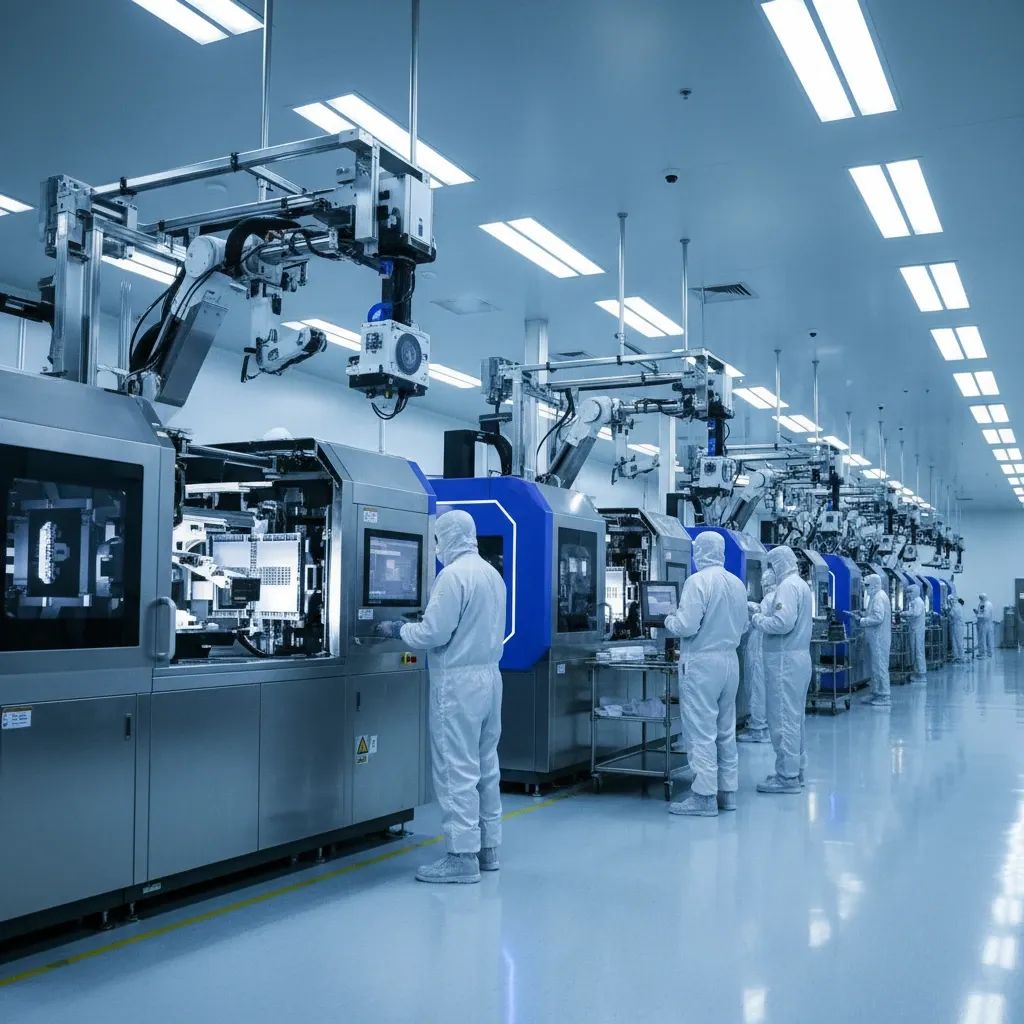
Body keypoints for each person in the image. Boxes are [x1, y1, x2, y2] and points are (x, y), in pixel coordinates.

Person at [376, 510, 506, 884]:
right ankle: (488, 848)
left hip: (458, 683)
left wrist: (400, 629)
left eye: (437, 539)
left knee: (455, 768)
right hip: (490, 678)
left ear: (447, 537)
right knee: (485, 767)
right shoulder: (491, 574)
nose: (435, 547)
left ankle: (461, 856)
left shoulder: (452, 576)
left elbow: (433, 633)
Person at [664, 531, 749, 817]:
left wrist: (668, 619)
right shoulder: (737, 584)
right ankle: (727, 792)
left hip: (702, 663)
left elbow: (687, 625)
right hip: (730, 662)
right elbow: (745, 625)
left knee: (701, 730)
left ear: (698, 552)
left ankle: (703, 797)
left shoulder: (697, 582)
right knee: (725, 730)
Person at [751, 546, 812, 794]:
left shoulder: (787, 586)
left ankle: (786, 777)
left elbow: (782, 622)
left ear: (779, 564)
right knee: (795, 718)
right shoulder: (801, 585)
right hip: (797, 659)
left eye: (772, 566)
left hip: (784, 662)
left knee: (783, 718)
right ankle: (795, 770)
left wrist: (758, 620)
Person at [738, 568, 776, 744]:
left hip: (759, 650)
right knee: (763, 689)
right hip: (766, 650)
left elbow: (762, 619)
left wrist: (753, 614)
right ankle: (762, 725)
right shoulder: (777, 597)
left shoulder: (769, 598)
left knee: (757, 689)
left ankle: (758, 730)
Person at [859, 574, 892, 707]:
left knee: (880, 666)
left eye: (867, 585)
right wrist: (864, 614)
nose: (866, 588)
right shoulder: (877, 596)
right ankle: (875, 692)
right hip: (876, 638)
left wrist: (862, 620)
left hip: (879, 638)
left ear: (874, 584)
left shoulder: (878, 597)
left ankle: (884, 695)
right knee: (875, 666)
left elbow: (878, 618)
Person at [906, 583, 928, 681]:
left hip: (917, 630)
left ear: (915, 592)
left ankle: (921, 674)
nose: (908, 594)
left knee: (918, 651)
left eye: (910, 592)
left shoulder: (918, 602)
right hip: (914, 629)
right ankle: (917, 672)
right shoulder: (914, 601)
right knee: (915, 651)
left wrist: (904, 613)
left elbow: (916, 613)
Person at [976, 594, 995, 658]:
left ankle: (982, 654)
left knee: (982, 639)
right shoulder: (989, 603)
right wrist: (978, 613)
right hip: (989, 624)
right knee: (989, 639)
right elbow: (983, 612)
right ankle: (990, 653)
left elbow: (985, 616)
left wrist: (978, 615)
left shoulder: (985, 604)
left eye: (981, 598)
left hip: (983, 624)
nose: (980, 599)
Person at [950, 596, 966, 663]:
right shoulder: (958, 606)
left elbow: (952, 614)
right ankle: (957, 656)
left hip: (958, 626)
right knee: (955, 641)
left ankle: (961, 657)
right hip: (956, 626)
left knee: (958, 642)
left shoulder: (956, 606)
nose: (951, 602)